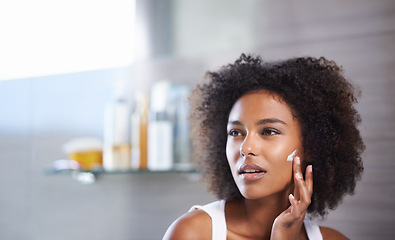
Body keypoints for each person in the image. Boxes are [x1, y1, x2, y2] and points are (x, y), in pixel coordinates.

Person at [163, 54, 365, 240]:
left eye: (269, 131)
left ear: (311, 146)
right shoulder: (192, 233)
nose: (245, 148)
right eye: (235, 133)